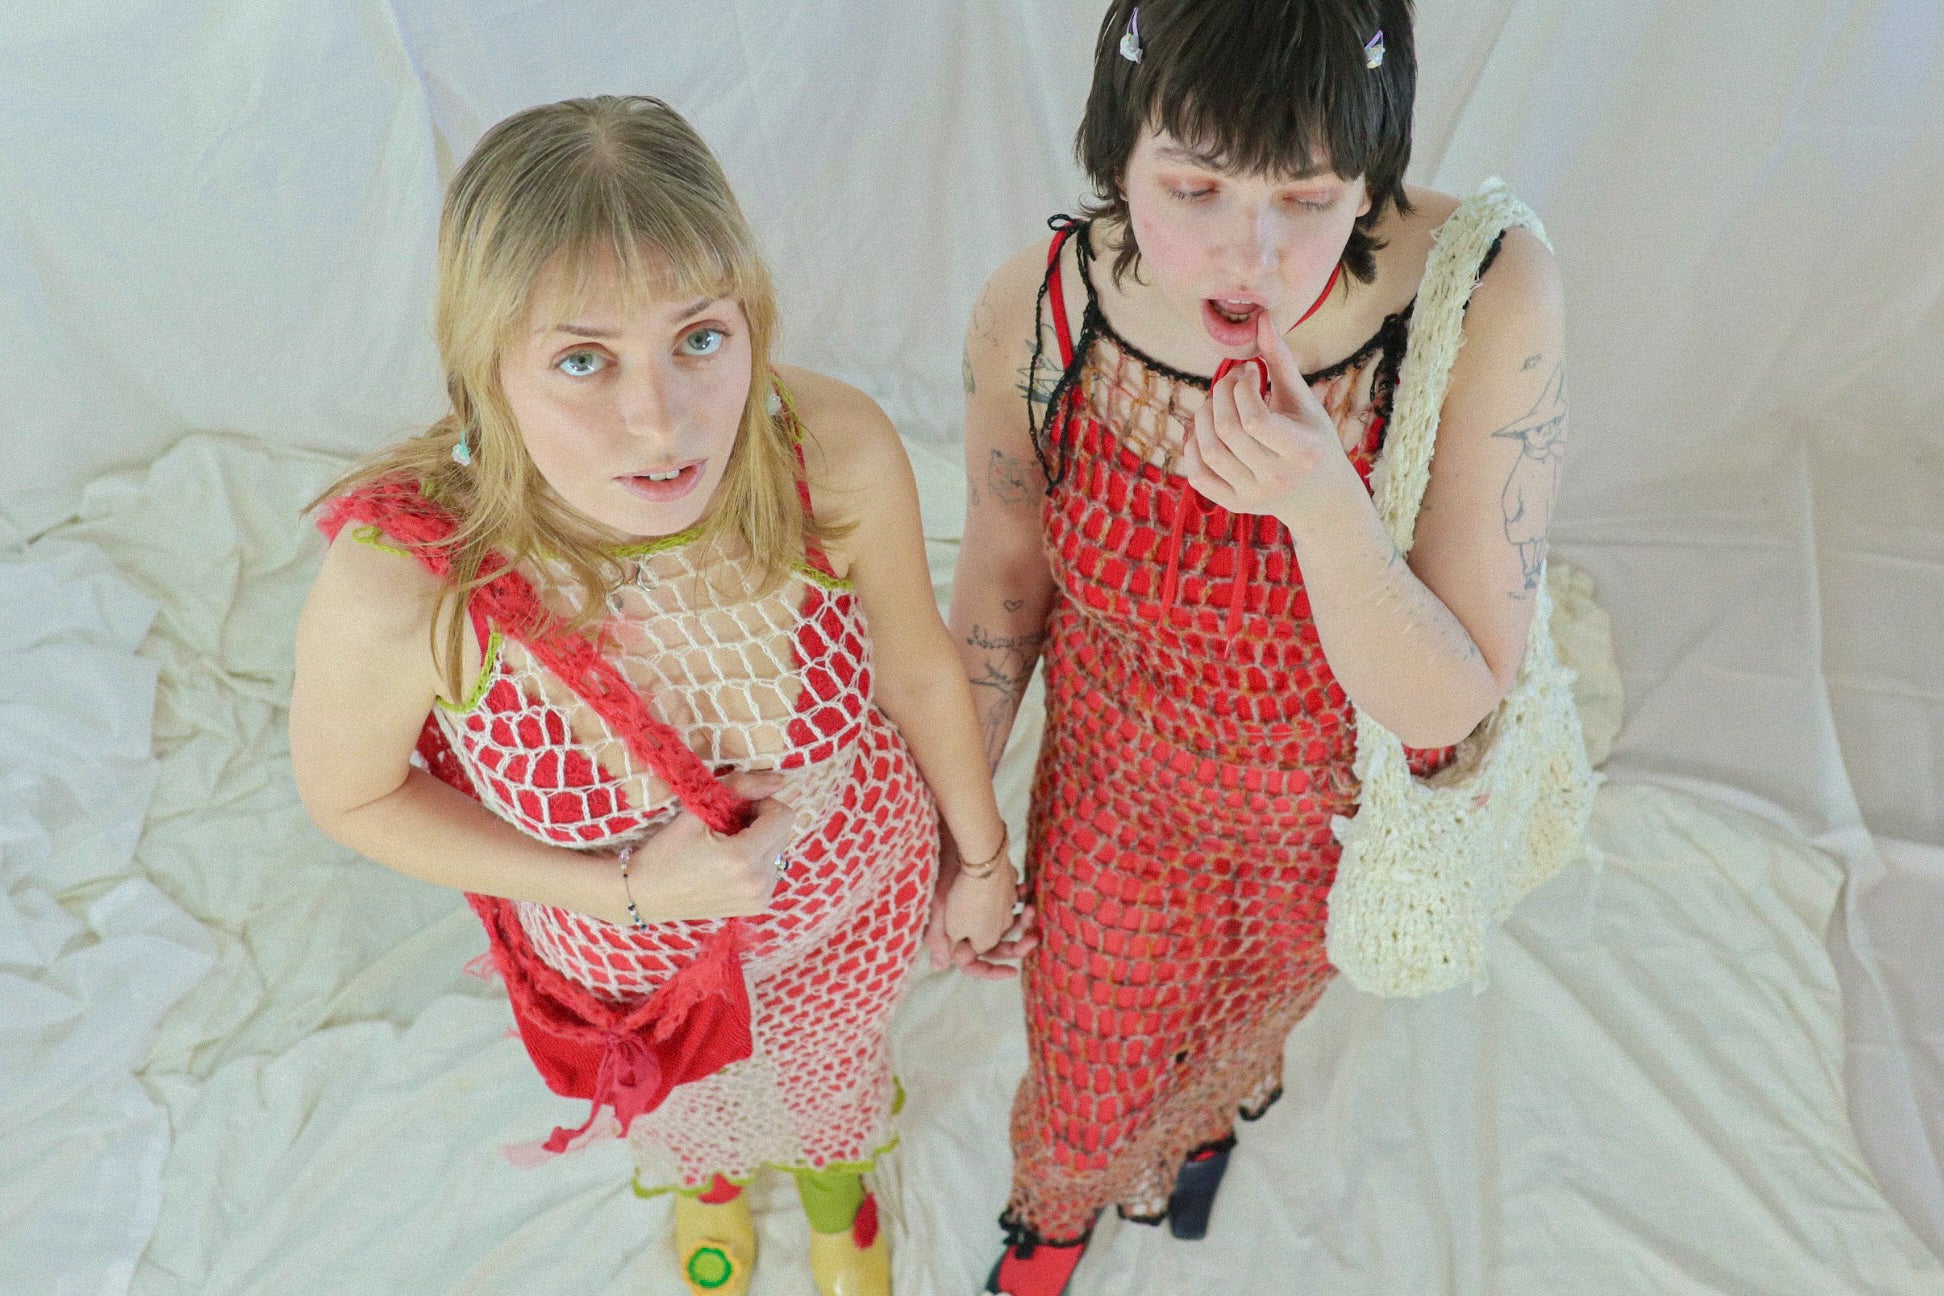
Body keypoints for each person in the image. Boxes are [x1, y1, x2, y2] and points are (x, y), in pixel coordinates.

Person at [289, 95, 1017, 1296]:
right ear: (488, 363)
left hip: (859, 901)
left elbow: (917, 662)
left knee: (838, 1072)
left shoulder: (822, 449)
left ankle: (842, 1188)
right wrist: (627, 890)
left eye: (699, 338)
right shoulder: (408, 581)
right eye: (584, 360)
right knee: (692, 1107)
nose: (661, 420)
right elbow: (354, 798)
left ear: (750, 319)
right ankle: (712, 1186)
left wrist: (982, 860)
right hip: (629, 961)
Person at [940, 2, 1571, 1291]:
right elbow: (1004, 575)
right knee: (1088, 1040)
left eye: (1310, 195)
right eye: (1194, 186)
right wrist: (964, 831)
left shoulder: (1486, 295)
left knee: (1256, 1011)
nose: (1253, 253)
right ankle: (1052, 1223)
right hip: (1127, 785)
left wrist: (1323, 509)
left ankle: (1208, 1122)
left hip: (1333, 813)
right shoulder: (1042, 311)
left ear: (1371, 171)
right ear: (1118, 155)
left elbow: (1452, 699)